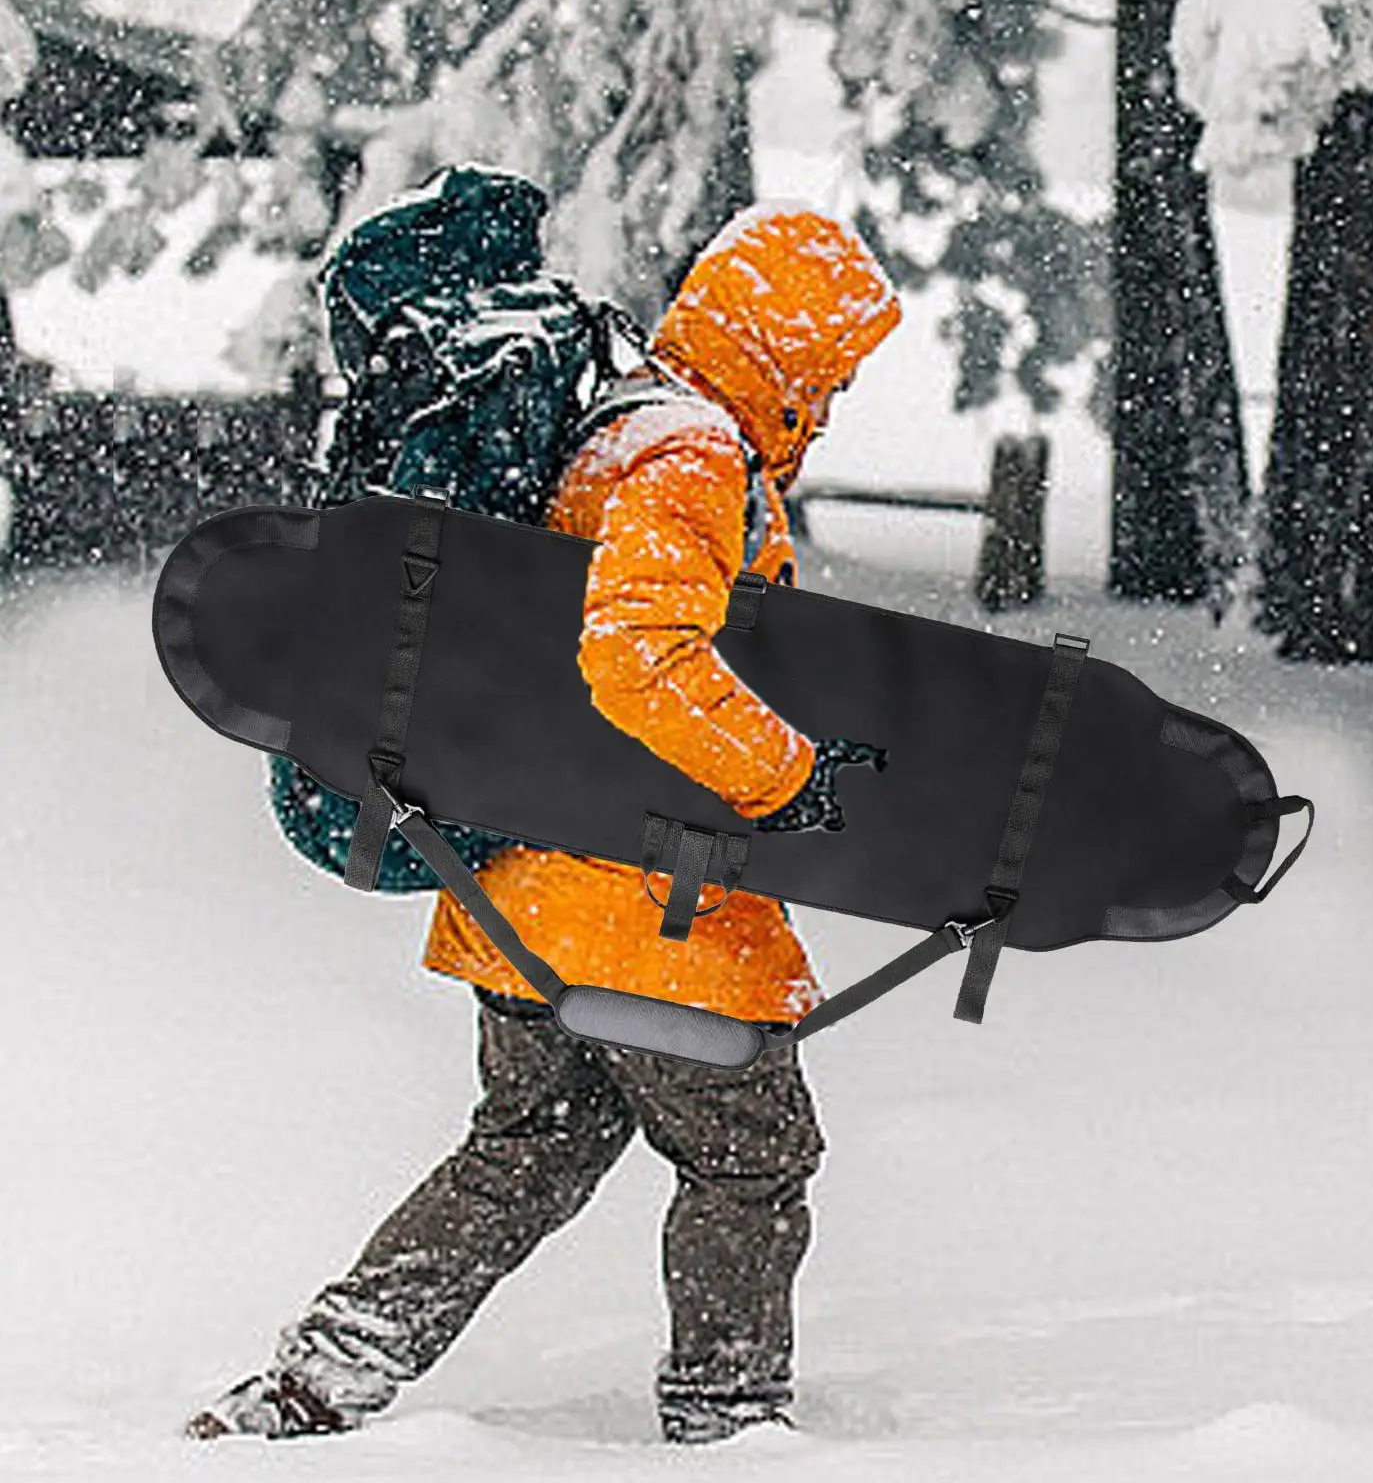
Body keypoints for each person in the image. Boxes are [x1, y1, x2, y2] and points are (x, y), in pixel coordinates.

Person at [186, 202, 902, 1446]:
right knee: (752, 1158)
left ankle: (321, 1375)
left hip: (529, 892)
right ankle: (730, 1424)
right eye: (824, 375)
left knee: (525, 1149)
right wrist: (785, 776)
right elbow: (638, 658)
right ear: (775, 352)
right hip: (648, 912)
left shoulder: (612, 429)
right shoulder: (689, 459)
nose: (829, 409)